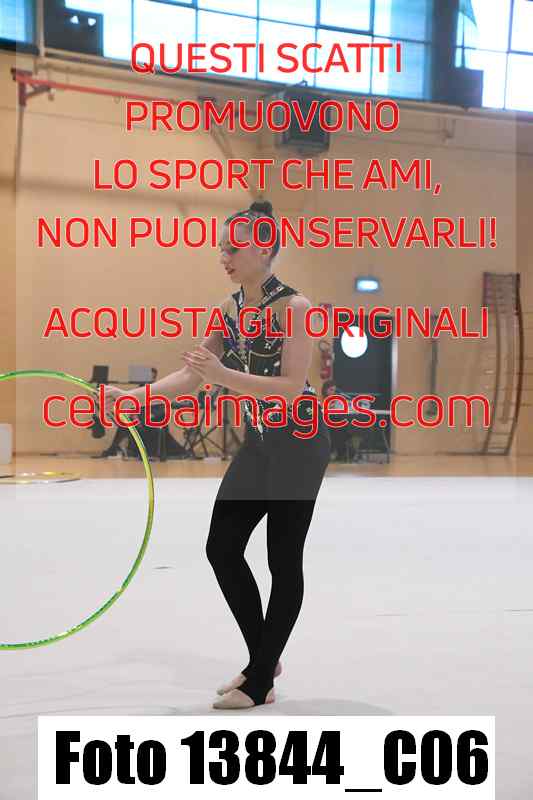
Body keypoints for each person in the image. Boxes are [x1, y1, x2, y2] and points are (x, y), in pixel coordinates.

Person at [100, 200, 331, 709]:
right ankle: (264, 660)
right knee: (222, 547)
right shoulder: (230, 310)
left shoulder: (295, 309)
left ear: (264, 249)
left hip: (299, 443)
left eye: (234, 248)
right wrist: (135, 397)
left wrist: (224, 376)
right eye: (222, 248)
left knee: (281, 559)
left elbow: (291, 386)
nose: (223, 257)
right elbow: (191, 375)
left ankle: (260, 679)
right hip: (261, 443)